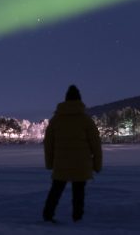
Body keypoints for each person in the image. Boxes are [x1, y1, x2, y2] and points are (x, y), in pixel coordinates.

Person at [42, 85, 102, 223]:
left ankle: (48, 215)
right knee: (79, 192)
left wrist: (49, 163)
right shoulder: (86, 120)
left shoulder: (55, 120)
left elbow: (48, 145)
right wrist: (97, 165)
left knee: (56, 190)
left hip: (61, 163)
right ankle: (77, 218)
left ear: (65, 100)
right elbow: (96, 145)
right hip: (82, 164)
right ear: (80, 100)